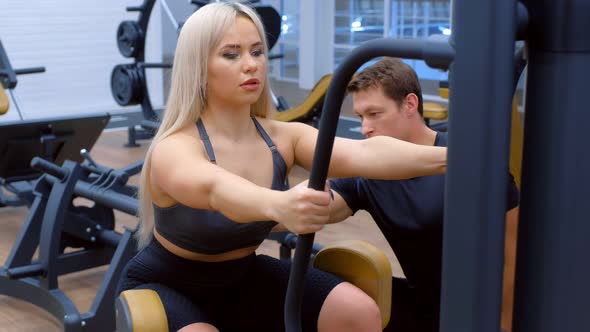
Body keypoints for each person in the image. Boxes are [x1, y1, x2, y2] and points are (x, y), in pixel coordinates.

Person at [116, 4, 447, 332]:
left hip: (245, 276)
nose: (251, 65)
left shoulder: (283, 137)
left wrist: (457, 157)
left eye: (257, 51)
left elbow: (365, 154)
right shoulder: (174, 147)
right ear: (199, 67)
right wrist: (281, 204)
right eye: (231, 54)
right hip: (170, 286)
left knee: (356, 311)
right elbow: (215, 189)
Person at [327, 57, 520, 332]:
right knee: (325, 290)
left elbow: (513, 256)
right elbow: (326, 205)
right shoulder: (369, 172)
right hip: (424, 308)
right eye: (360, 117)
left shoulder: (465, 160)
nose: (365, 127)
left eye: (374, 114)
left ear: (410, 104)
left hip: (481, 311)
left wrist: (503, 324)